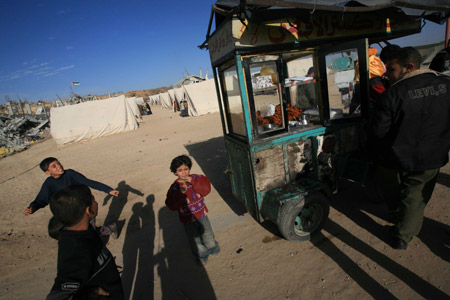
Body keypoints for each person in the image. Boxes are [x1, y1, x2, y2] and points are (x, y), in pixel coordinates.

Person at [368, 46, 450, 250]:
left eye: (392, 69)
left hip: (397, 157)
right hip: (432, 155)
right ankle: (403, 230)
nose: (387, 74)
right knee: (415, 195)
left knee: (399, 190)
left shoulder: (392, 95)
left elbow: (378, 132)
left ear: (408, 67)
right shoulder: (446, 85)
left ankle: (401, 230)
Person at [46, 184, 124, 299]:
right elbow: (58, 296)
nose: (96, 203)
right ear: (89, 211)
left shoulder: (83, 231)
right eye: (93, 200)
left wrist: (104, 267)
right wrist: (91, 293)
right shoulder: (75, 251)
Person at [24, 157, 120, 238]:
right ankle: (110, 229)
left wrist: (108, 190)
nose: (59, 166)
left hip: (84, 207)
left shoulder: (70, 174)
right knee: (81, 233)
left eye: (58, 163)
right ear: (47, 172)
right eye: (54, 166)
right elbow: (42, 199)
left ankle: (104, 236)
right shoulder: (49, 184)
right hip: (69, 213)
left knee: (87, 231)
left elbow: (88, 182)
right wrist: (33, 207)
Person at [165, 155, 220, 265]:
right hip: (187, 219)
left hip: (202, 215)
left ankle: (212, 248)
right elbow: (172, 205)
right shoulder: (174, 187)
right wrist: (180, 194)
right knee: (195, 240)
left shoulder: (197, 178)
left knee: (208, 234)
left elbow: (206, 190)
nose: (184, 173)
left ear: (189, 168)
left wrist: (193, 182)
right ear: (175, 172)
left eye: (186, 169)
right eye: (180, 170)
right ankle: (202, 256)